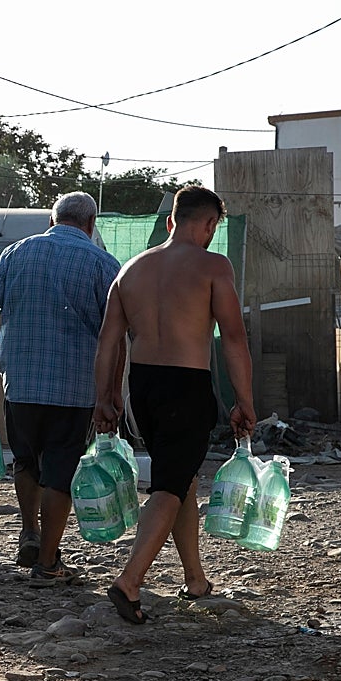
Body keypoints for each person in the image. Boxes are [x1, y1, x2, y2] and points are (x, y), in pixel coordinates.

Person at [93, 185, 255, 624]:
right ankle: (129, 582)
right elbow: (234, 338)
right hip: (187, 385)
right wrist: (244, 401)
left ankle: (195, 578)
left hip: (142, 388)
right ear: (209, 225)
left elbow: (108, 342)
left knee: (181, 477)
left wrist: (104, 398)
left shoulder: (130, 269)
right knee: (168, 486)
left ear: (170, 221)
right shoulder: (214, 266)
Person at [0, 192, 121, 584]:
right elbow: (115, 337)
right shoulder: (104, 264)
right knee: (60, 472)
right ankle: (48, 563)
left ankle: (30, 531)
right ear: (91, 224)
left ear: (52, 220)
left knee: (26, 461)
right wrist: (110, 393)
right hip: (75, 389)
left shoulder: (15, 253)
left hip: (21, 383)